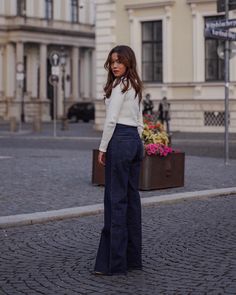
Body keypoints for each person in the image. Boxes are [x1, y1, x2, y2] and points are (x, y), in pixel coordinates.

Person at [94, 45, 144, 276]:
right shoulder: (134, 85)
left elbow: (111, 120)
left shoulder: (119, 86)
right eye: (112, 61)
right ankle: (133, 259)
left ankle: (113, 263)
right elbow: (140, 120)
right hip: (134, 142)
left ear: (128, 63)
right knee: (132, 200)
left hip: (120, 140)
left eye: (119, 61)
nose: (115, 65)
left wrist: (102, 148)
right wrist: (139, 143)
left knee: (115, 201)